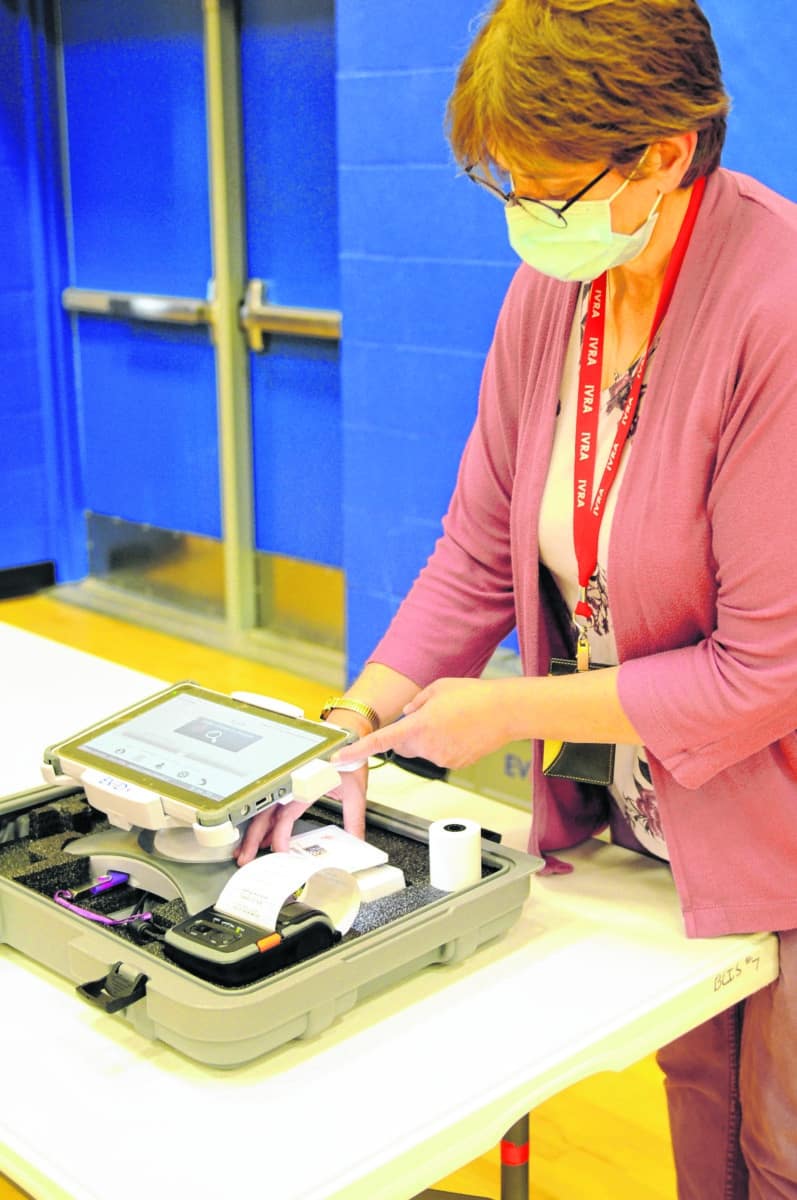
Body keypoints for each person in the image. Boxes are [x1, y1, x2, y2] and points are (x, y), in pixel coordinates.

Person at [237, 1, 797, 1194]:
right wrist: (361, 707)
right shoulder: (561, 287)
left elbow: (761, 673)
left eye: (546, 192)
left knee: (785, 1141)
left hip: (775, 800)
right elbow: (482, 546)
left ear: (662, 150)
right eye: (508, 189)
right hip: (666, 807)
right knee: (700, 1096)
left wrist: (507, 711)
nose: (526, 221)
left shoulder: (774, 307)